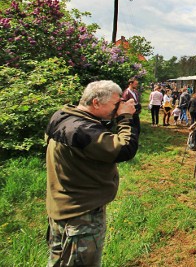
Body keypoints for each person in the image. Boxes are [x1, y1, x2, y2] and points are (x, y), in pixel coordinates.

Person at [45, 80, 139, 266]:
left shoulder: (63, 117)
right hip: (80, 216)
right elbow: (125, 149)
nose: (117, 109)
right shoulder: (82, 130)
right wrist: (125, 118)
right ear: (96, 102)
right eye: (114, 105)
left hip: (62, 207)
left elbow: (96, 136)